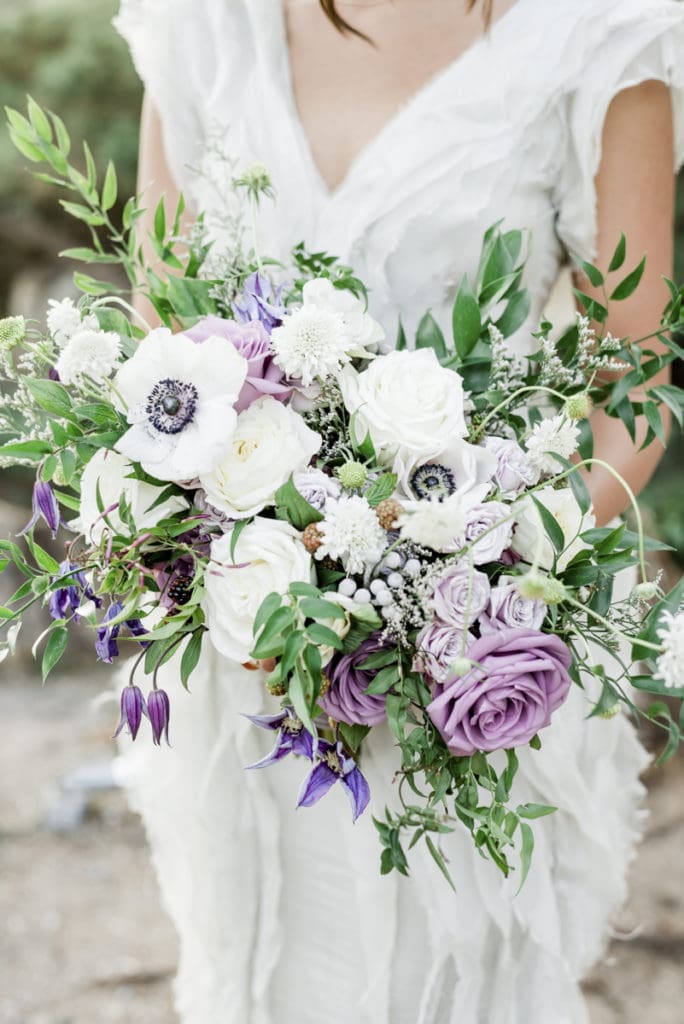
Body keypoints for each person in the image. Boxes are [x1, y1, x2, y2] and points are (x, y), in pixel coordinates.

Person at [113, 1, 684, 1021]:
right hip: (252, 648)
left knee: (450, 980)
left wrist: (497, 575)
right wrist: (218, 541)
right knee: (269, 974)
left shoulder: (601, 30)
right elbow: (163, 334)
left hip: (468, 668)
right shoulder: (200, 22)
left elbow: (635, 386)